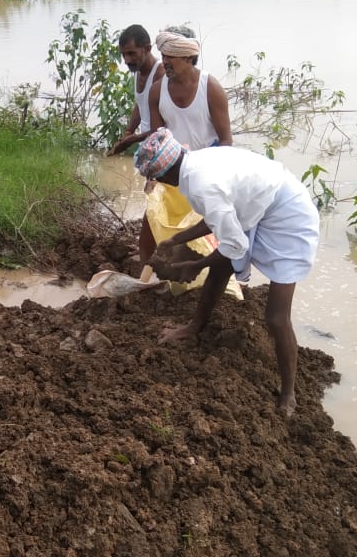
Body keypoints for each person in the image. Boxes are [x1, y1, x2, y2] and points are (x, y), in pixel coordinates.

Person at [135, 128, 319, 418]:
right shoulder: (194, 164)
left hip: (289, 215)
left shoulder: (199, 184)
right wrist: (176, 240)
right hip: (262, 202)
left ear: (164, 175)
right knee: (220, 267)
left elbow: (234, 244)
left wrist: (195, 265)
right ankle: (194, 327)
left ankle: (288, 393)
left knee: (275, 316)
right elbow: (217, 217)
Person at [134, 28, 233, 265]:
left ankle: (212, 277)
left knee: (210, 235)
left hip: (205, 171)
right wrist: (151, 178)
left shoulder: (210, 88)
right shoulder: (158, 90)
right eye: (163, 55)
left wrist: (215, 177)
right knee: (150, 230)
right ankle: (149, 280)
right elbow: (157, 139)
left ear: (188, 57)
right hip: (170, 171)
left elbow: (226, 141)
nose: (165, 61)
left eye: (171, 56)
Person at [106, 24, 165, 157]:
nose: (127, 60)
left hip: (163, 148)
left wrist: (135, 138)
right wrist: (128, 132)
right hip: (149, 145)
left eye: (132, 53)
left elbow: (165, 127)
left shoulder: (160, 75)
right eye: (123, 54)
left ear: (147, 49)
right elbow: (140, 104)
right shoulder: (137, 70)